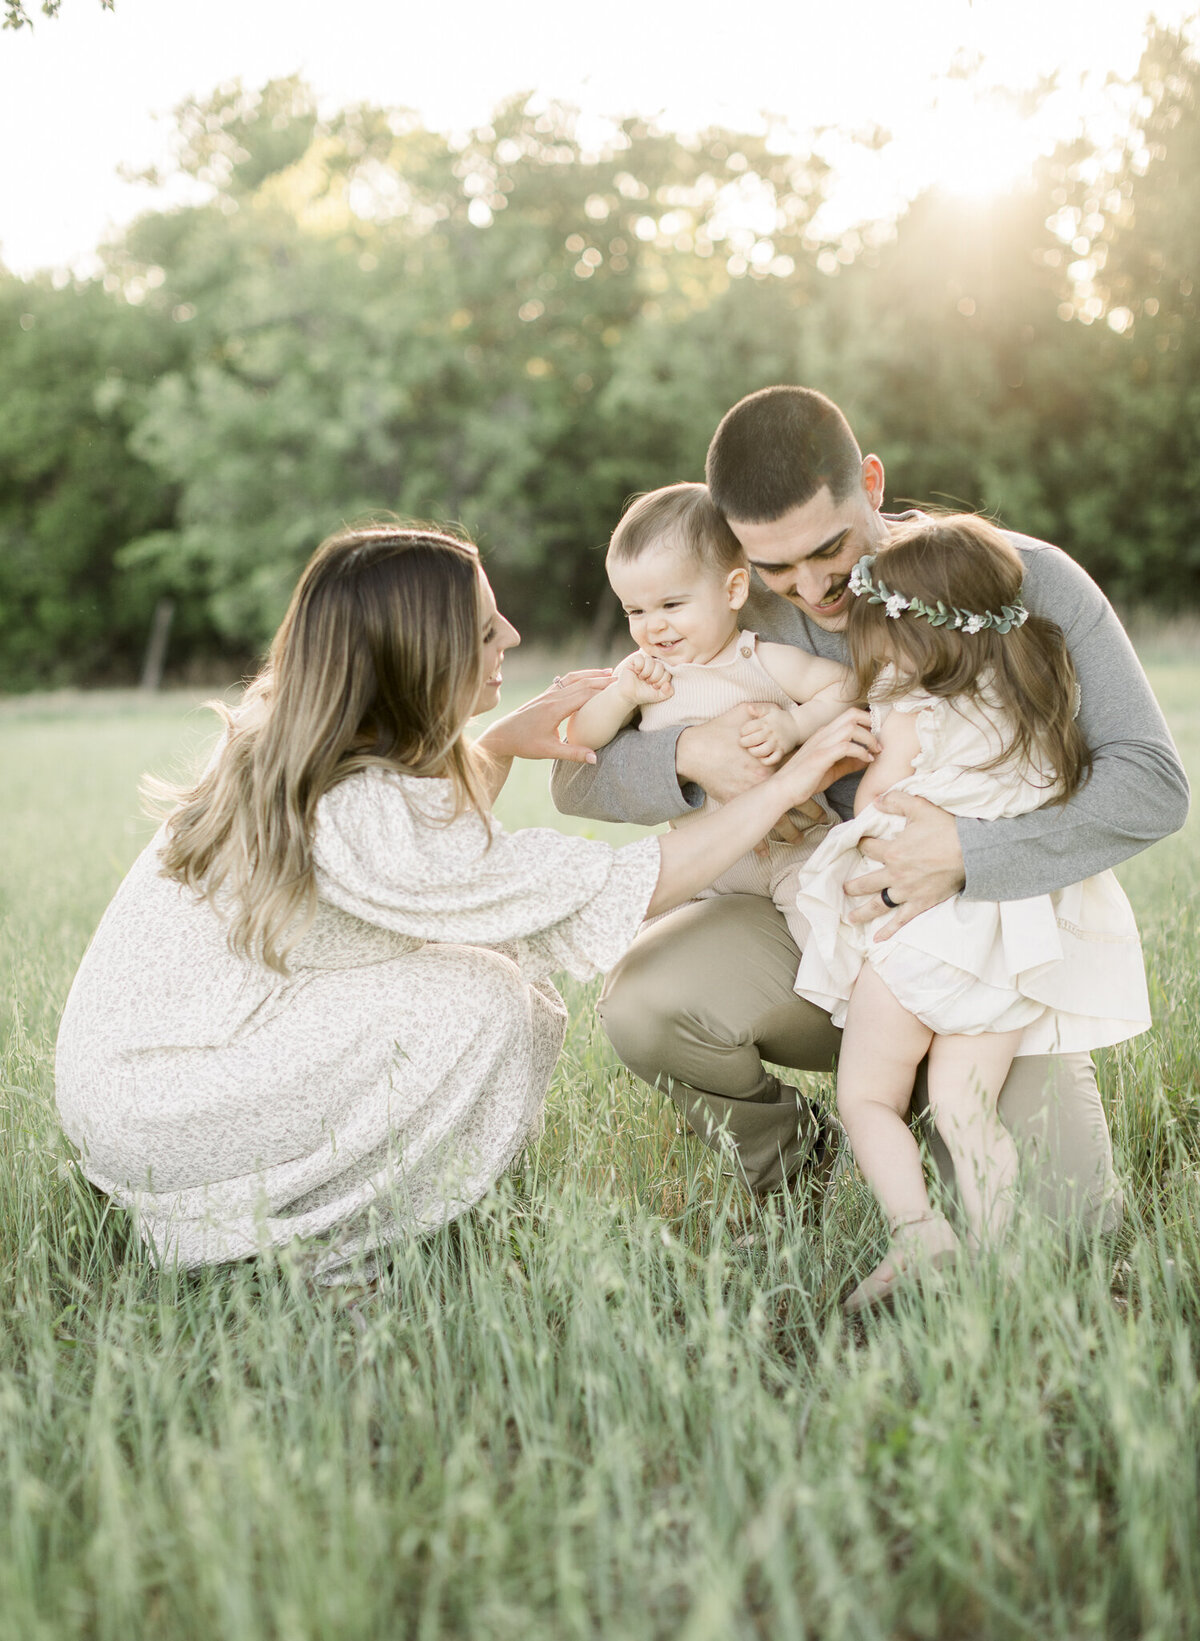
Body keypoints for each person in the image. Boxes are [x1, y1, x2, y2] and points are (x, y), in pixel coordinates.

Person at [55, 523, 874, 1275]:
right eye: (486, 629)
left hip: (160, 1076)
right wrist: (795, 778)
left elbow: (423, 850)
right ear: (421, 653)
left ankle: (352, 1213)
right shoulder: (352, 806)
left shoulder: (310, 741)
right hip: (164, 1104)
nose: (512, 636)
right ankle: (334, 1252)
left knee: (490, 975)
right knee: (481, 995)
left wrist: (500, 742)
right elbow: (559, 886)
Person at [551, 386, 1189, 1224]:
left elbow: (1153, 782)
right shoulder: (725, 602)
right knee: (646, 1001)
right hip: (818, 925)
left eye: (828, 549)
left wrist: (965, 853)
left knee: (1059, 1228)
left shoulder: (1015, 576)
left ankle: (929, 1107)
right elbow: (575, 775)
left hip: (986, 949)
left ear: (875, 485)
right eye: (775, 567)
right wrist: (689, 754)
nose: (811, 586)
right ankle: (799, 1162)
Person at [791, 517, 1150, 1311]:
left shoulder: (911, 711)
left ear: (918, 637)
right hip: (1008, 946)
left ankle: (920, 1231)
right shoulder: (1037, 699)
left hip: (920, 936)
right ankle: (994, 1253)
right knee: (965, 1108)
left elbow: (882, 801)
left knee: (868, 1098)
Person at [565, 482, 856, 953]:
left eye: (671, 605)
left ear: (733, 590)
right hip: (701, 869)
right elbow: (580, 737)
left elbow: (846, 686)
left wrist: (796, 726)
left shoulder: (759, 659)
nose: (652, 625)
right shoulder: (643, 673)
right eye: (634, 610)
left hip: (793, 853)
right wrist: (620, 697)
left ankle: (844, 1016)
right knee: (643, 955)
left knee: (830, 944)